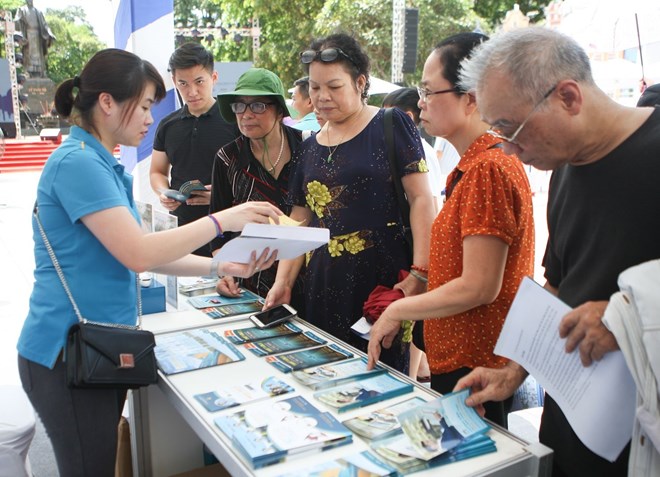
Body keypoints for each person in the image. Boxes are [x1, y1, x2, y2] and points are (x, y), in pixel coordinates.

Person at [16, 48, 281, 477]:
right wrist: (222, 219)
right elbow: (138, 252)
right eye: (142, 106)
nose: (148, 119)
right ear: (107, 103)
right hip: (66, 352)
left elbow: (146, 250)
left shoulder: (100, 161)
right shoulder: (79, 164)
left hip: (93, 344)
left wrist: (222, 268)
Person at [454, 27, 660, 476]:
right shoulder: (565, 167)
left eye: (511, 129)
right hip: (573, 423)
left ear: (568, 97)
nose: (508, 148)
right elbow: (560, 284)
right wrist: (515, 370)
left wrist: (626, 316)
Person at [367, 32, 535, 428]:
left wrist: (399, 309)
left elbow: (480, 286)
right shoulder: (474, 166)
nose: (420, 103)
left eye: (428, 92)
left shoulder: (488, 169)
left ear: (471, 98)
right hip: (464, 359)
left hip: (476, 367)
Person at [265, 33, 435, 373]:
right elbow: (299, 219)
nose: (322, 97)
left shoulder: (391, 124)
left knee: (381, 379)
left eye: (334, 86)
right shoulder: (308, 147)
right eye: (314, 88)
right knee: (325, 374)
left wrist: (420, 272)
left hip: (382, 280)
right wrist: (282, 282)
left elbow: (421, 199)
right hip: (321, 283)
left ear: (360, 82)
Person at [210, 68, 305, 312]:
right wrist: (223, 269)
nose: (246, 115)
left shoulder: (307, 147)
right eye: (239, 106)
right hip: (249, 280)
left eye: (258, 106)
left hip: (304, 277)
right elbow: (217, 227)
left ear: (279, 110)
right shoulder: (227, 158)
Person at [150, 42, 239, 256]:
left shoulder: (235, 122)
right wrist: (164, 192)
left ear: (214, 78)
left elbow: (252, 175)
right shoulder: (167, 125)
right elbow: (157, 171)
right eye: (183, 84)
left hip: (227, 227)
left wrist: (220, 195)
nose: (192, 92)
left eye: (199, 81)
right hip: (182, 229)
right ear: (174, 82)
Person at [382, 87, 443, 214]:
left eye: (386, 117)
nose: (380, 123)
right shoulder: (402, 149)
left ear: (408, 117)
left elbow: (431, 202)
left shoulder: (422, 151)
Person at [14, 0, 55, 78]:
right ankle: (29, 74)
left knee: (39, 57)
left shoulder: (38, 12)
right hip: (28, 35)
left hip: (38, 36)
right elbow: (17, 21)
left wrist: (50, 34)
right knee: (28, 55)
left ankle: (40, 73)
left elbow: (45, 25)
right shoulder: (22, 10)